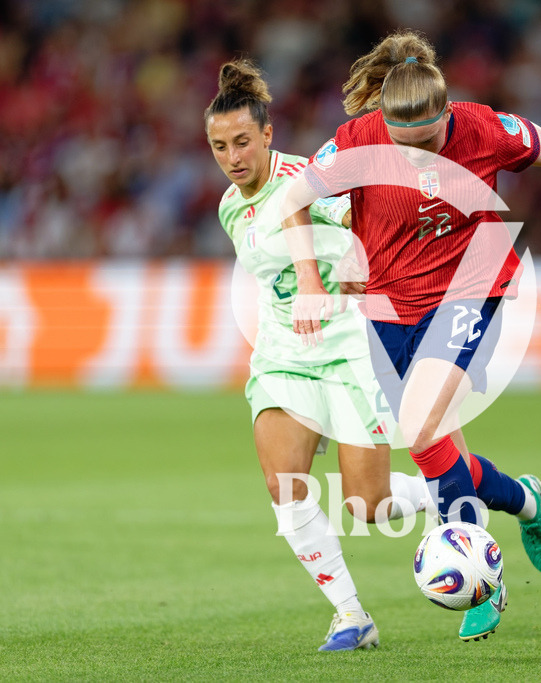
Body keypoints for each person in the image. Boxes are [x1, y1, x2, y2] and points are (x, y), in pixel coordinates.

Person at [284, 31, 541, 641]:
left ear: (446, 116)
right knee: (435, 448)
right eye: (402, 144)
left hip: (470, 290)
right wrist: (310, 278)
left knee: (420, 427)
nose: (415, 158)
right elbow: (293, 199)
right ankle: (524, 499)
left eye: (427, 143)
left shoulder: (483, 128)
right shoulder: (357, 140)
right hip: (389, 306)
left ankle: (485, 580)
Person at [204, 59, 433, 652]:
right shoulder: (230, 207)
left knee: (367, 504)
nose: (232, 157)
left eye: (242, 142)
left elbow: (359, 222)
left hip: (352, 349)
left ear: (268, 134)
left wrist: (353, 258)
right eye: (220, 146)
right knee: (283, 484)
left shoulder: (304, 179)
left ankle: (452, 489)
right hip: (284, 355)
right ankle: (351, 615)